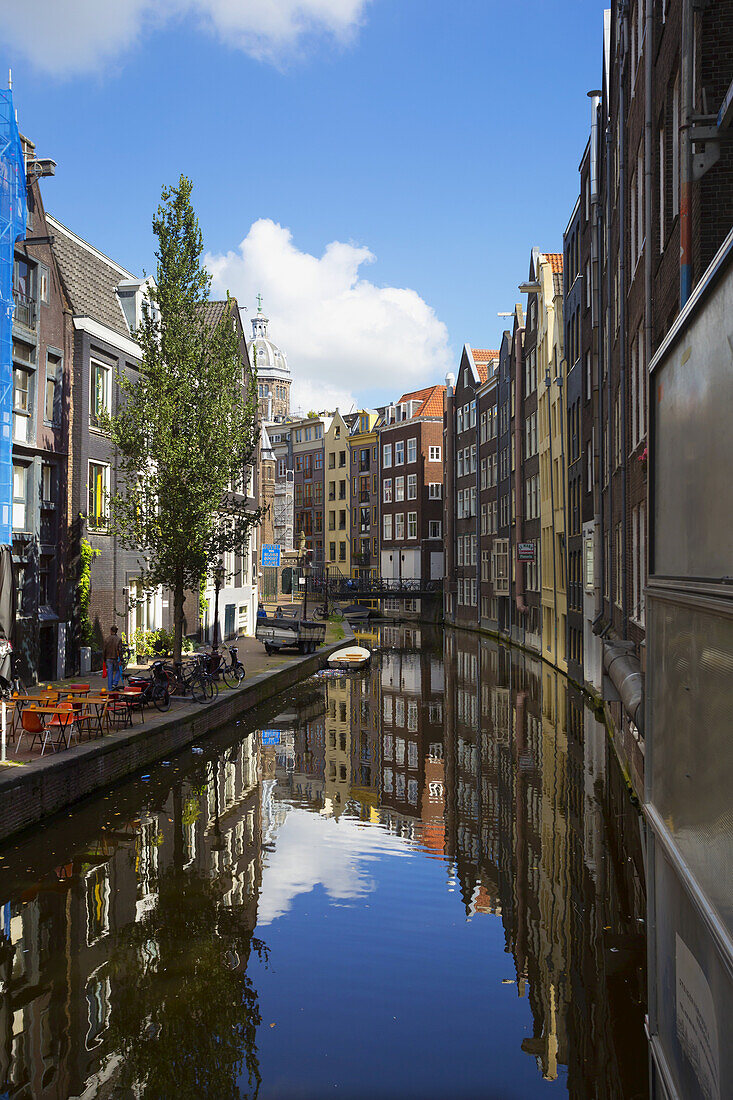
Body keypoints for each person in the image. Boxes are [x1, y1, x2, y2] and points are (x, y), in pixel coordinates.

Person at [103, 625, 124, 690]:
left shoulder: (107, 639)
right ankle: (115, 683)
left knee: (110, 673)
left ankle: (110, 689)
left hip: (108, 658)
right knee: (118, 670)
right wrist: (121, 658)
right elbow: (120, 650)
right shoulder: (119, 639)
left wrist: (104, 659)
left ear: (111, 631)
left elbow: (104, 650)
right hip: (116, 657)